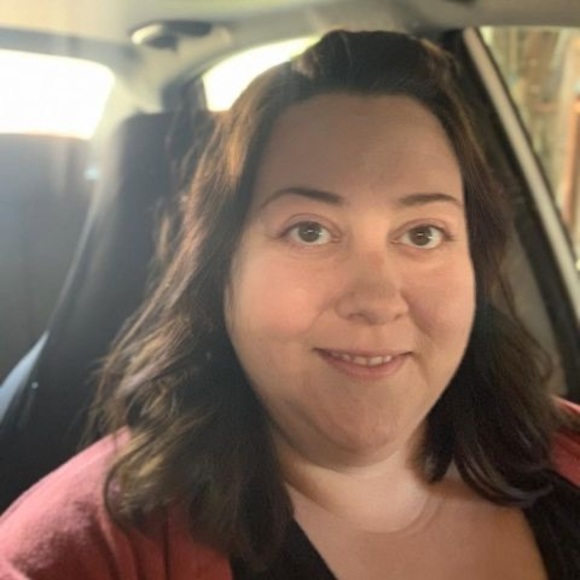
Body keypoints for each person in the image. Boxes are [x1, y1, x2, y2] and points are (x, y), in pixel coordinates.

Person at [1, 29, 580, 580]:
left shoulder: (565, 448)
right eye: (310, 231)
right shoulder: (82, 555)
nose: (377, 302)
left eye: (423, 234)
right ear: (222, 267)